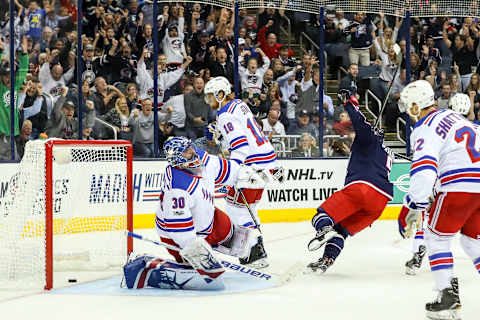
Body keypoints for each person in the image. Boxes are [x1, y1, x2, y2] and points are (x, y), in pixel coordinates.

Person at [122, 136, 268, 290]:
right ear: (177, 157)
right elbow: (179, 230)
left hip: (209, 217)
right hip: (179, 236)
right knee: (209, 280)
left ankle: (247, 254)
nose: (193, 151)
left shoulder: (200, 158)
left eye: (191, 147)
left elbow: (222, 168)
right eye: (187, 151)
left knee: (236, 237)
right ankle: (149, 270)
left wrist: (244, 173)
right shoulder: (177, 188)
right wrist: (198, 252)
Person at [398, 80, 480, 320]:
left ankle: (447, 298)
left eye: (408, 105)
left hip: (458, 186)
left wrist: (413, 205)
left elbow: (424, 171)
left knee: (435, 237)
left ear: (415, 106)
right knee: (472, 241)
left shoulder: (425, 126)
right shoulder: (457, 118)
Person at [306, 90, 394, 274]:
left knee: (321, 218)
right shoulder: (386, 152)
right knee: (340, 232)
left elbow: (360, 124)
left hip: (363, 188)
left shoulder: (369, 138)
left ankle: (324, 231)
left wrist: (349, 103)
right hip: (379, 203)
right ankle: (327, 260)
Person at [203, 76, 284, 268]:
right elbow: (243, 130)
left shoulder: (224, 114)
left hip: (251, 166)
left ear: (220, 95)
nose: (209, 101)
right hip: (268, 162)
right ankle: (255, 248)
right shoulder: (239, 104)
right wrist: (219, 132)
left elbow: (240, 145)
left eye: (211, 97)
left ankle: (255, 252)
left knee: (236, 209)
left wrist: (233, 170)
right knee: (249, 208)